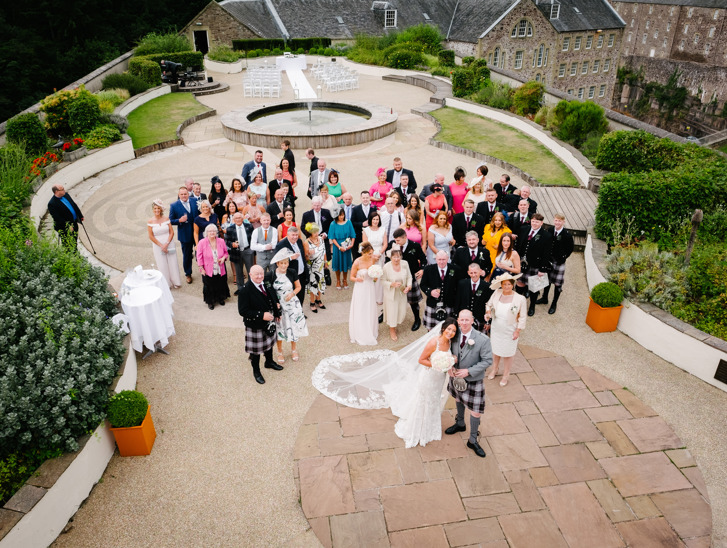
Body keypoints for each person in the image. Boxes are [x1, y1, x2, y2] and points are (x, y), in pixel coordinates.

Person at [390, 318, 457, 448]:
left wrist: (450, 364)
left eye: (454, 331)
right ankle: (417, 429)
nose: (450, 332)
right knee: (423, 400)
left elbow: (448, 360)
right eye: (449, 329)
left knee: (434, 401)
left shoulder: (450, 343)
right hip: (428, 377)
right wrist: (436, 364)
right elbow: (421, 360)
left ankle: (430, 428)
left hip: (439, 379)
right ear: (443, 328)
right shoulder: (434, 342)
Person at [444, 309, 492, 458]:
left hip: (473, 379)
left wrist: (469, 371)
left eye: (467, 320)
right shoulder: (453, 334)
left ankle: (472, 440)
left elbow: (487, 361)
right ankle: (460, 423)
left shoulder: (483, 339)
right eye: (461, 320)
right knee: (457, 399)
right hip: (456, 376)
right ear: (458, 321)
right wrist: (449, 365)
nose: (464, 323)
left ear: (472, 321)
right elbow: (446, 352)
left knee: (475, 410)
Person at [238, 265, 283, 385]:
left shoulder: (266, 283)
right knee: (255, 351)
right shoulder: (245, 290)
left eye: (261, 273)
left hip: (269, 321)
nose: (260, 276)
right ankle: (256, 372)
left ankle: (269, 362)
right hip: (255, 324)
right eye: (256, 274)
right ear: (250, 274)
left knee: (269, 343)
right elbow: (242, 311)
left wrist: (277, 313)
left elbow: (272, 298)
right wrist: (261, 315)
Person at [486, 273, 526, 386]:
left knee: (508, 353)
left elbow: (523, 317)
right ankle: (495, 369)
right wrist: (488, 312)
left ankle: (506, 374)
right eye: (504, 284)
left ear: (512, 285)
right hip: (496, 327)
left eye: (509, 284)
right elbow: (488, 305)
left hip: (510, 329)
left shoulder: (520, 298)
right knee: (495, 351)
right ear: (501, 285)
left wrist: (517, 331)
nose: (506, 286)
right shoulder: (497, 293)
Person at [270, 249, 308, 363]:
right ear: (277, 263)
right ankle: (280, 352)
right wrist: (275, 302)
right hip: (279, 305)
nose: (283, 265)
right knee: (280, 328)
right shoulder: (271, 274)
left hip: (292, 304)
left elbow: (298, 287)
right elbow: (269, 290)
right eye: (281, 263)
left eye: (285, 263)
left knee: (293, 326)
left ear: (288, 263)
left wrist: (292, 294)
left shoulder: (292, 272)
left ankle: (293, 350)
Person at [537, 213, 574, 314]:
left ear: (563, 222)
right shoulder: (549, 230)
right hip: (548, 260)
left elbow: (570, 249)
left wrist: (563, 257)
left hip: (559, 261)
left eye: (560, 221)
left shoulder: (567, 235)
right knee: (547, 280)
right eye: (556, 220)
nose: (557, 222)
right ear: (554, 221)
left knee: (557, 283)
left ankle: (554, 303)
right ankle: (545, 298)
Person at [515, 213, 552, 316]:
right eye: (533, 221)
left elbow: (546, 254)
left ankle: (532, 306)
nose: (535, 223)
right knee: (519, 284)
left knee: (533, 287)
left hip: (535, 265)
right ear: (530, 221)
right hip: (522, 263)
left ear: (541, 223)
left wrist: (542, 269)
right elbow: (518, 245)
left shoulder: (546, 236)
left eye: (537, 222)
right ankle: (517, 305)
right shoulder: (524, 229)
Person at [392, 228, 426, 331]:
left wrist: (422, 269)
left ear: (405, 237)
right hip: (396, 276)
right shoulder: (394, 246)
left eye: (398, 240)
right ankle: (386, 314)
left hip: (410, 277)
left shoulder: (415, 246)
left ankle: (417, 319)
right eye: (395, 240)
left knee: (413, 301)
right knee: (393, 297)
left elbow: (423, 259)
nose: (396, 242)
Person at [420, 251, 459, 331]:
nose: (441, 262)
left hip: (449, 304)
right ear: (436, 259)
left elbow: (458, 287)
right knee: (431, 329)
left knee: (448, 328)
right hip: (433, 303)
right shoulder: (428, 269)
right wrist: (430, 292)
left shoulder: (455, 269)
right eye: (439, 259)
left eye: (444, 259)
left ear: (448, 259)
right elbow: (423, 285)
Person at [349, 242, 379, 345]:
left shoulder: (372, 260)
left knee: (370, 308)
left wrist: (375, 277)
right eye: (369, 253)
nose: (371, 255)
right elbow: (351, 277)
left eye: (372, 253)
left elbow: (372, 274)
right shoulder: (357, 262)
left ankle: (370, 329)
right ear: (363, 252)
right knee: (361, 308)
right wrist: (357, 279)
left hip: (370, 287)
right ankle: (360, 331)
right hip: (360, 288)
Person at [147, 199, 181, 288]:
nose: (157, 210)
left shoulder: (166, 219)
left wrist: (166, 243)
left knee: (172, 262)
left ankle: (176, 281)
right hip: (158, 245)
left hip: (169, 243)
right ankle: (166, 283)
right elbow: (151, 236)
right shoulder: (150, 221)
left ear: (161, 209)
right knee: (162, 264)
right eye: (155, 208)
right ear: (153, 209)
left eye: (158, 208)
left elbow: (171, 232)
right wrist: (161, 245)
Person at [381, 244, 412, 341]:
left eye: (398, 257)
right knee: (392, 311)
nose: (396, 259)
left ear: (401, 257)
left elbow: (409, 277)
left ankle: (395, 324)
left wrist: (409, 286)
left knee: (401, 311)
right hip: (391, 294)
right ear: (391, 257)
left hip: (402, 292)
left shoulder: (405, 264)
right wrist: (392, 284)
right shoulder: (386, 266)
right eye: (394, 257)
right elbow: (382, 281)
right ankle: (392, 329)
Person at [169, 186, 199, 284]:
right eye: (181, 194)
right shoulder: (174, 205)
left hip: (197, 232)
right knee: (186, 255)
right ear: (179, 195)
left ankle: (204, 270)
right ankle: (188, 274)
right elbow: (170, 220)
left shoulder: (195, 200)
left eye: (185, 194)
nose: (183, 196)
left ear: (188, 194)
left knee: (200, 251)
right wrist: (179, 220)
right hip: (184, 234)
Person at [197, 224, 230, 310]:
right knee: (209, 284)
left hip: (220, 267)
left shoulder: (221, 241)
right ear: (206, 233)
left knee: (220, 282)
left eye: (214, 231)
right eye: (210, 231)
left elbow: (226, 253)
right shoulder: (202, 242)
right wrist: (201, 268)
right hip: (208, 268)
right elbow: (199, 256)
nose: (212, 232)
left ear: (216, 232)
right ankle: (210, 301)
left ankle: (220, 298)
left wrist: (223, 258)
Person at [273, 226, 309, 305]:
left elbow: (302, 257)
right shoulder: (281, 245)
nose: (295, 237)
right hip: (290, 275)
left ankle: (299, 311)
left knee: (301, 294)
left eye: (296, 235)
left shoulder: (299, 241)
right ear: (287, 235)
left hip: (301, 273)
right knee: (291, 295)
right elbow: (276, 260)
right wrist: (290, 258)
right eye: (293, 235)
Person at [455, 263, 490, 331]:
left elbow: (488, 305)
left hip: (480, 319)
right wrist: (457, 317)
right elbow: (457, 301)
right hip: (464, 319)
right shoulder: (462, 284)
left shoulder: (487, 286)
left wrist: (487, 322)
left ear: (480, 271)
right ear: (468, 273)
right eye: (471, 273)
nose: (473, 275)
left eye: (475, 272)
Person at [47, 184, 83, 250]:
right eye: (62, 189)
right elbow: (57, 218)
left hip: (74, 223)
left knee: (74, 241)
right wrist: (68, 226)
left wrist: (80, 215)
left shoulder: (66, 195)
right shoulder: (52, 204)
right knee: (68, 244)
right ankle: (71, 257)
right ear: (56, 192)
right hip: (65, 228)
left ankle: (76, 256)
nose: (64, 190)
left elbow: (74, 205)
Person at [226, 212, 254, 295]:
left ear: (242, 219)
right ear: (233, 220)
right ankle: (241, 289)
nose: (238, 220)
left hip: (248, 251)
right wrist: (232, 244)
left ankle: (251, 287)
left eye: (239, 218)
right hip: (236, 252)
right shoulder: (230, 229)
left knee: (250, 271)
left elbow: (253, 237)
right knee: (239, 272)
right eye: (236, 218)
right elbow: (226, 241)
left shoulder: (249, 226)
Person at [329, 208, 355, 289]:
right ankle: (338, 280)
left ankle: (345, 280)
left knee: (345, 263)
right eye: (340, 215)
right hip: (338, 247)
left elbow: (353, 235)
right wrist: (339, 247)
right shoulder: (333, 224)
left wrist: (352, 244)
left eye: (343, 215)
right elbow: (332, 237)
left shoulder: (348, 222)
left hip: (347, 246)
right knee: (337, 263)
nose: (341, 217)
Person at [305, 222, 327, 313]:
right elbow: (305, 257)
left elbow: (324, 251)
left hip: (320, 265)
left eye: (317, 231)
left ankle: (319, 300)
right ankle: (312, 302)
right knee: (313, 284)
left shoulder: (321, 239)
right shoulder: (306, 242)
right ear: (310, 233)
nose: (316, 233)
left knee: (320, 282)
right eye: (314, 232)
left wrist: (325, 262)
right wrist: (309, 253)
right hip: (312, 266)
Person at [351, 190, 376, 259]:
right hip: (358, 235)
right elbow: (352, 222)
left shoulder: (373, 208)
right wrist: (362, 224)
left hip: (370, 235)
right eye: (364, 198)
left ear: (369, 198)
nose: (365, 199)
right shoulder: (355, 209)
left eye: (367, 198)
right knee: (357, 255)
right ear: (361, 198)